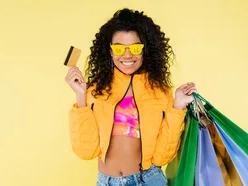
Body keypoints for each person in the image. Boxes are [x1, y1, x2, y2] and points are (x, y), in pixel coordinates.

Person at [65, 8, 197, 185]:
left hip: (149, 179)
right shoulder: (95, 90)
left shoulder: (160, 91)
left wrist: (178, 106)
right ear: (110, 51)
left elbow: (161, 156)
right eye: (119, 49)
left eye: (135, 47)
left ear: (145, 50)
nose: (127, 55)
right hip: (106, 181)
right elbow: (85, 151)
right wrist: (80, 96)